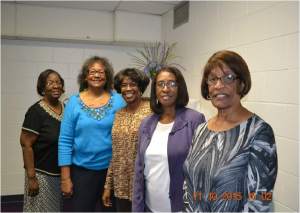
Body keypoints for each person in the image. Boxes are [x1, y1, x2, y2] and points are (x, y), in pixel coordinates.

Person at [183, 50, 278, 212]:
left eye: (228, 78)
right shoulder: (201, 130)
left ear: (241, 83)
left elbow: (261, 200)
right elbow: (188, 185)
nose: (219, 85)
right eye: (213, 79)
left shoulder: (259, 132)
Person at [132, 66, 206, 212]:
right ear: (155, 90)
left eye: (172, 84)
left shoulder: (194, 120)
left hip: (181, 208)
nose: (166, 89)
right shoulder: (147, 123)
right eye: (160, 84)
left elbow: (203, 171)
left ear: (180, 88)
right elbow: (139, 169)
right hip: (149, 207)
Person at [58, 56, 126, 211]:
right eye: (93, 71)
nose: (97, 75)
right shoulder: (73, 103)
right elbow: (65, 141)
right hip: (82, 173)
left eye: (101, 72)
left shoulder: (119, 101)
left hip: (112, 172)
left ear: (107, 76)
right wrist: (65, 178)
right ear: (85, 76)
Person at [102, 68, 152, 212]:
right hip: (121, 185)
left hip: (144, 184)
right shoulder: (119, 114)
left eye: (133, 84)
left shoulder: (152, 111)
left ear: (140, 87)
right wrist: (108, 186)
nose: (128, 89)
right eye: (124, 85)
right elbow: (115, 153)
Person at [20, 69, 65, 212]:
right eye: (50, 82)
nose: (56, 85)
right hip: (41, 176)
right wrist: (32, 177)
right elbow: (26, 144)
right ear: (42, 87)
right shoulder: (36, 112)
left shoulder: (66, 108)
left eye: (58, 82)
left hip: (58, 174)